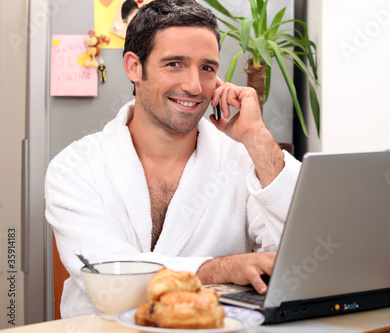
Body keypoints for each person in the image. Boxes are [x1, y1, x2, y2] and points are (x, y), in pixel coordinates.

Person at [45, 0, 301, 318]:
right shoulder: (75, 168)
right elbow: (108, 273)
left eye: (207, 68)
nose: (194, 86)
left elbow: (299, 252)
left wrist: (257, 137)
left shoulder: (239, 160)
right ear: (133, 67)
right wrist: (222, 269)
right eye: (175, 64)